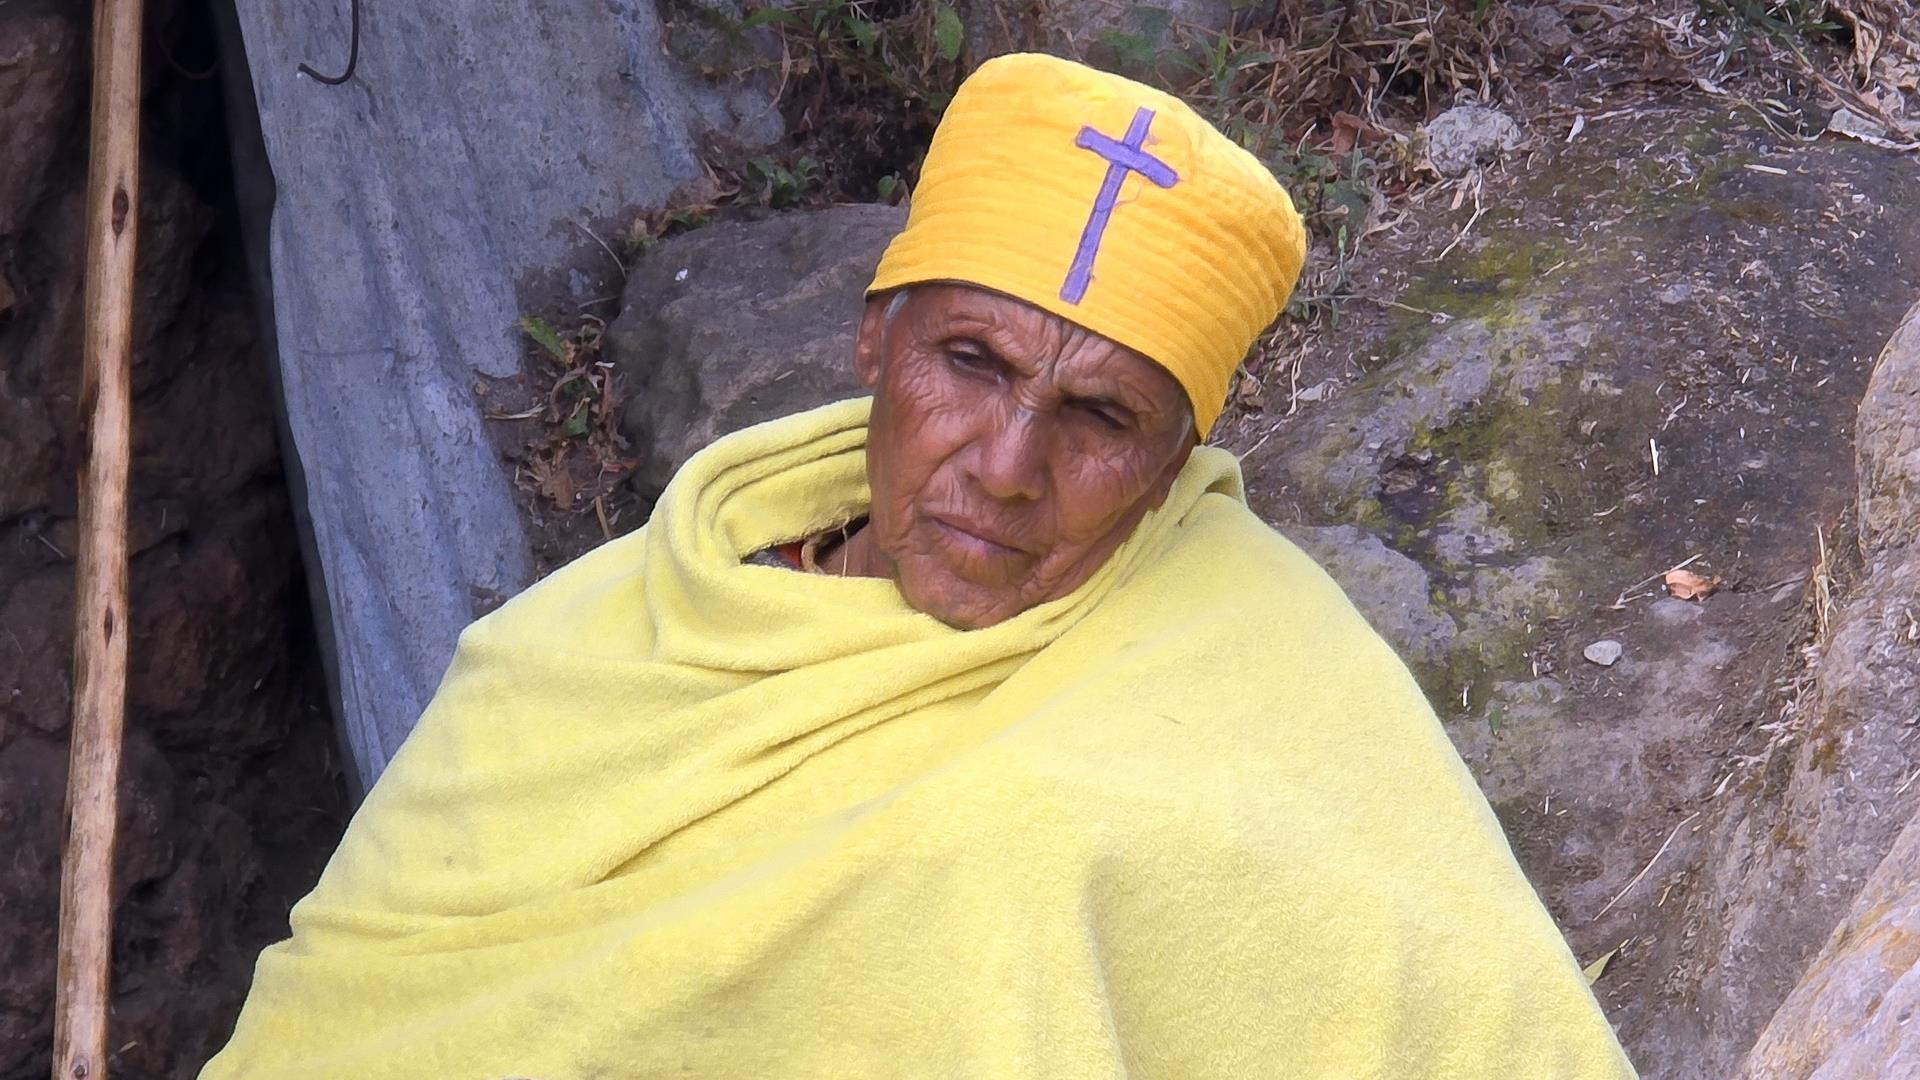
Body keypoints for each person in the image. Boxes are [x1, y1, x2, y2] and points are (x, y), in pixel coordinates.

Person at [204, 53, 1635, 1078]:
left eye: (1100, 419)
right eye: (972, 362)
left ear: (1175, 462)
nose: (1006, 467)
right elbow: (361, 1012)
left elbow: (1459, 1008)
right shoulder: (576, 649)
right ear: (874, 339)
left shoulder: (1267, 667)